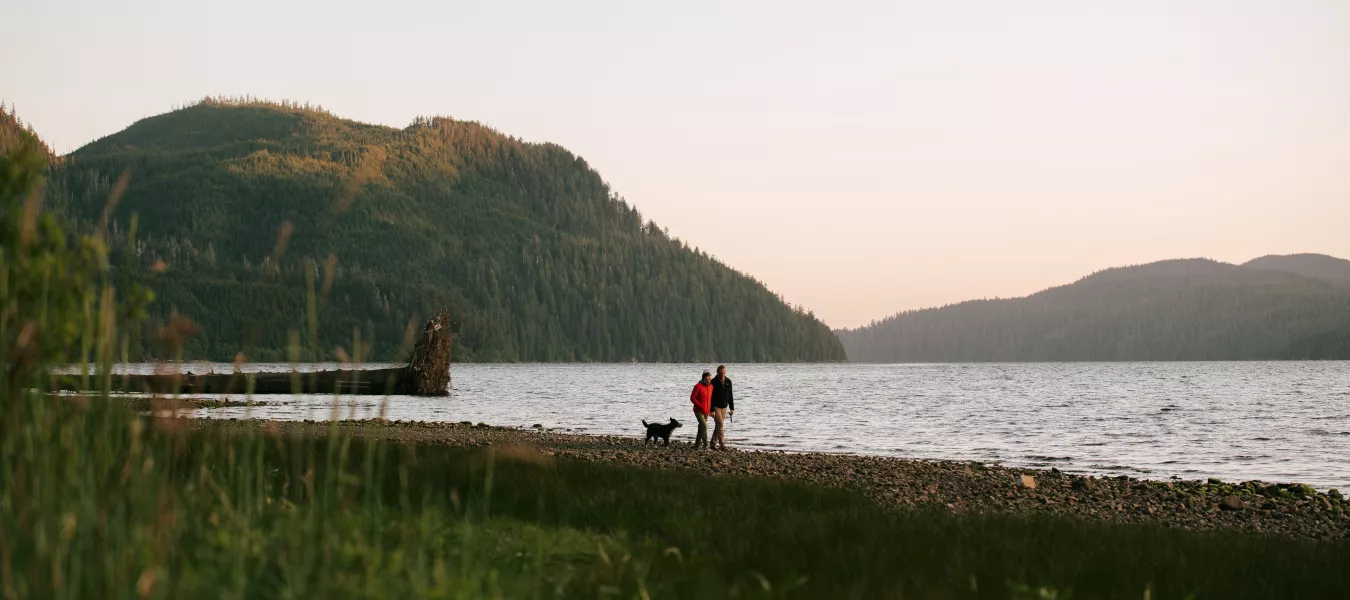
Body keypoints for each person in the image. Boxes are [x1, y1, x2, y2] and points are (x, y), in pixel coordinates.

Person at [709, 365, 734, 450]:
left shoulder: (728, 381)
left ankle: (712, 443)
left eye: (724, 373)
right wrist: (711, 410)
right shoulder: (713, 382)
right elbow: (710, 397)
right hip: (716, 406)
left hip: (724, 406)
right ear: (718, 373)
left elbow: (730, 395)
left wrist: (732, 408)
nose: (723, 374)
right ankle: (722, 444)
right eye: (721, 373)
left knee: (718, 426)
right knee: (720, 424)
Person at [689, 371, 713, 450]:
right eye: (707, 379)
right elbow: (692, 398)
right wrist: (700, 405)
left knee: (701, 428)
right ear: (703, 379)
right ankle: (706, 445)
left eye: (710, 378)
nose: (708, 380)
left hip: (706, 411)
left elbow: (710, 399)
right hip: (698, 410)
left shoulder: (711, 387)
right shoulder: (698, 386)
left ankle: (696, 446)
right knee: (704, 426)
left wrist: (710, 409)